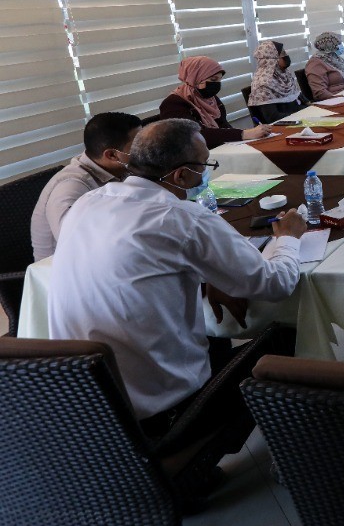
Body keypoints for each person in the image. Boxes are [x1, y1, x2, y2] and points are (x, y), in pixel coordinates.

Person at [47, 119, 305, 474]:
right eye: (205, 164)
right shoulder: (181, 217)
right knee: (286, 333)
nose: (207, 172)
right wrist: (288, 238)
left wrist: (210, 274)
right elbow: (275, 284)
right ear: (182, 175)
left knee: (211, 327)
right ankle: (282, 455)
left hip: (92, 409)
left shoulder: (87, 203)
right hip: (164, 418)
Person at [31, 112, 141, 261]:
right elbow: (76, 244)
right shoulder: (70, 187)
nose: (145, 150)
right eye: (138, 147)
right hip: (63, 268)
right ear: (112, 155)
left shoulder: (121, 170)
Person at [160, 56, 270, 148]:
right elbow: (195, 136)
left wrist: (249, 133)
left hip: (221, 149)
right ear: (195, 78)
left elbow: (223, 125)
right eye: (213, 80)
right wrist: (244, 134)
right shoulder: (173, 104)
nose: (217, 84)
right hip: (194, 159)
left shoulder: (210, 98)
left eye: (219, 80)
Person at [247, 40, 306, 122]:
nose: (286, 56)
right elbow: (273, 117)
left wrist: (311, 109)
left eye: (285, 53)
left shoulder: (285, 75)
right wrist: (301, 116)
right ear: (271, 59)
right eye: (282, 54)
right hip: (285, 124)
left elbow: (300, 100)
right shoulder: (263, 84)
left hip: (299, 118)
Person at [306, 31, 344, 100]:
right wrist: (341, 98)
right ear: (329, 45)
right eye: (339, 43)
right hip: (338, 98)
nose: (341, 46)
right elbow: (320, 93)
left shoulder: (336, 58)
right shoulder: (315, 63)